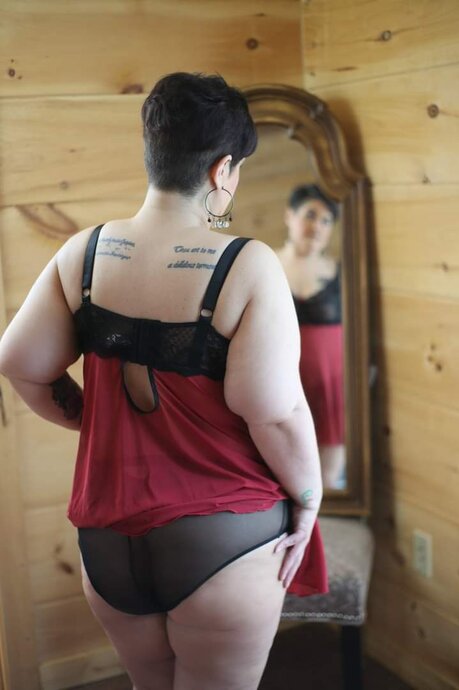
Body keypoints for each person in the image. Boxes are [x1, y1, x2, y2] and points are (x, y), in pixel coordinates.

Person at [0, 73, 327, 690]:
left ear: (153, 151)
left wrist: (87, 415)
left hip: (108, 542)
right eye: (237, 170)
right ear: (222, 169)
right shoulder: (248, 265)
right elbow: (272, 411)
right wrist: (309, 499)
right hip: (224, 539)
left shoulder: (83, 253)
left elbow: (18, 361)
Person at [275, 184, 346, 490]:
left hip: (330, 382)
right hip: (280, 379)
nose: (317, 226)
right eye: (310, 215)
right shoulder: (266, 264)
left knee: (327, 473)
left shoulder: (342, 273)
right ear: (289, 216)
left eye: (327, 220)